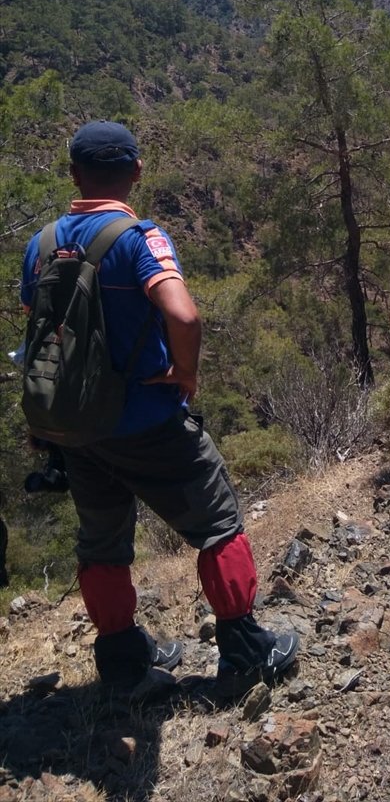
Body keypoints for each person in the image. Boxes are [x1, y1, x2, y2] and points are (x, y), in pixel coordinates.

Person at [20, 121, 298, 695]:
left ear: (74, 173)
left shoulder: (41, 245)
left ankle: (123, 665)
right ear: (137, 172)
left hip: (78, 429)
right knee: (217, 523)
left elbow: (41, 331)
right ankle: (246, 652)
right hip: (148, 420)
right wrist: (186, 373)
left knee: (101, 542)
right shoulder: (138, 238)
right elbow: (185, 315)